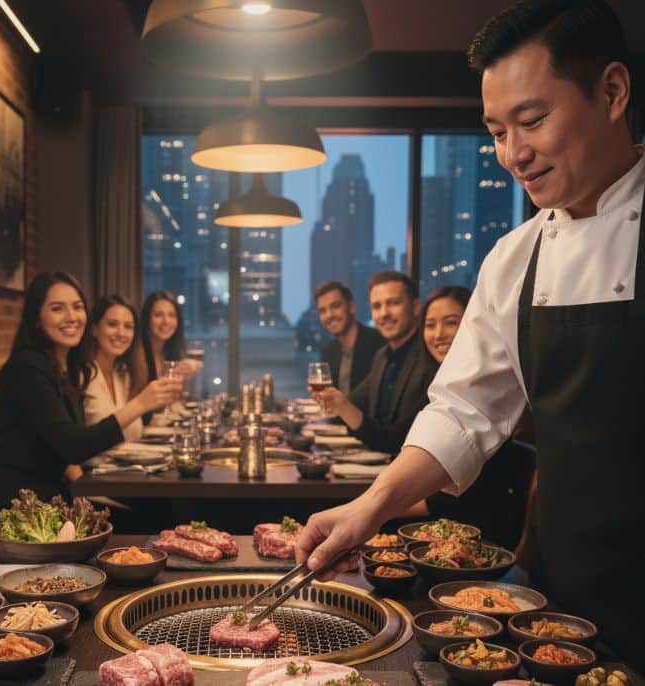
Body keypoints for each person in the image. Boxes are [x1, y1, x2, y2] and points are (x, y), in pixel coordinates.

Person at [297, 0, 645, 667]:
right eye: (494, 130)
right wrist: (367, 508)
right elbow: (466, 410)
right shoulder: (515, 257)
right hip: (553, 609)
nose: (511, 154)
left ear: (611, 92)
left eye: (531, 120)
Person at [0, 273, 180, 555]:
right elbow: (72, 445)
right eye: (57, 308)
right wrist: (140, 404)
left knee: (160, 515)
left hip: (50, 504)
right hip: (4, 515)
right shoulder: (27, 369)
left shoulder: (65, 370)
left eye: (77, 307)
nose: (71, 316)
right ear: (36, 317)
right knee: (152, 524)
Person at [404, 286, 535, 549]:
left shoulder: (493, 395)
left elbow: (452, 496)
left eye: (451, 323)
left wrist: (373, 505)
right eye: (430, 325)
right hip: (442, 522)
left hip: (478, 534)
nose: (439, 334)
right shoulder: (431, 386)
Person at [313, 272, 436, 454]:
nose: (384, 313)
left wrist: (343, 407)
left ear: (416, 307)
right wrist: (335, 402)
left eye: (394, 303)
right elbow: (352, 402)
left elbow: (398, 440)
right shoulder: (383, 356)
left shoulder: (428, 358)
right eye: (377, 306)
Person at [84, 295, 182, 441]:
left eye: (128, 327)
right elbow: (80, 443)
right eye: (112, 324)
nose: (121, 333)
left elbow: (134, 432)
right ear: (94, 329)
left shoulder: (123, 374)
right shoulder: (82, 374)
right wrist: (142, 403)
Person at [315, 281, 385, 393]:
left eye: (335, 306)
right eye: (323, 311)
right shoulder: (328, 351)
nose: (329, 315)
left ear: (352, 307)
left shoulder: (378, 344)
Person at [134, 290, 201, 407]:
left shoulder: (169, 352)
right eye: (158, 315)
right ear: (147, 319)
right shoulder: (138, 353)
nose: (166, 321)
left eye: (172, 315)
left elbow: (173, 401)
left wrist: (183, 376)